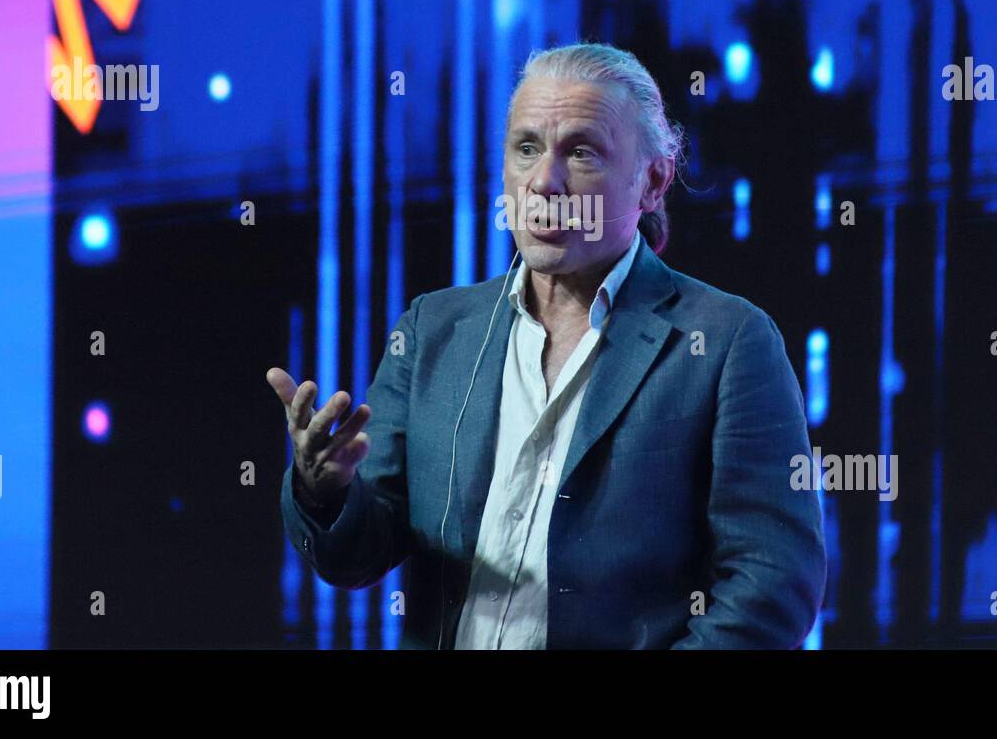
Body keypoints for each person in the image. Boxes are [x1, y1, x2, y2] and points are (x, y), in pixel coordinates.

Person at [270, 42, 826, 648]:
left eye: (581, 152)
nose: (545, 182)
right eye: (527, 148)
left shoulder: (727, 343)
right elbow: (356, 554)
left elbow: (771, 586)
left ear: (653, 181)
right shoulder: (434, 329)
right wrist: (323, 492)